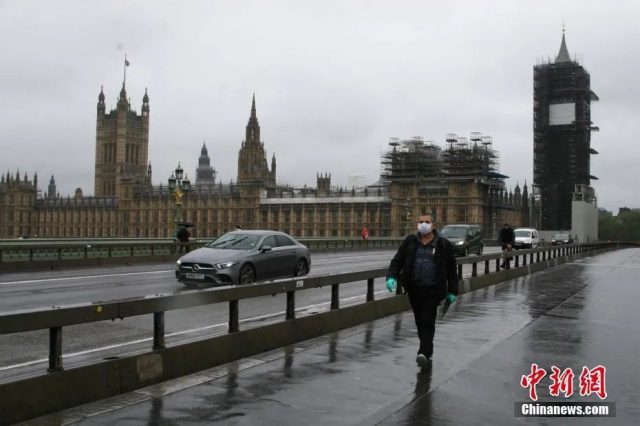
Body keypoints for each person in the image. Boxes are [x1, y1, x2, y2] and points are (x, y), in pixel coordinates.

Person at [386, 213, 459, 368]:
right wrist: (391, 277)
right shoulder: (410, 242)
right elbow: (397, 261)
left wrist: (452, 291)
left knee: (427, 320)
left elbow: (452, 270)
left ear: (433, 225)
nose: (423, 224)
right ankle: (427, 348)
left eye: (427, 222)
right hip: (414, 289)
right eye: (421, 222)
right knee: (419, 321)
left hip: (433, 290)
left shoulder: (443, 244)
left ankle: (423, 352)